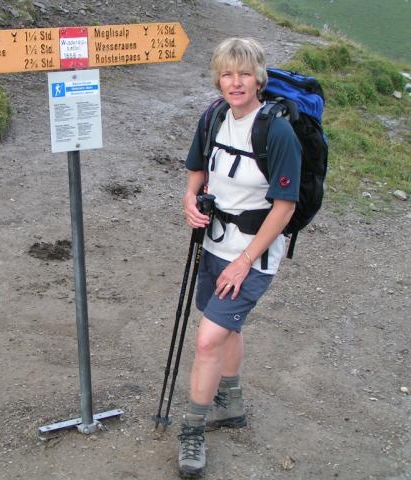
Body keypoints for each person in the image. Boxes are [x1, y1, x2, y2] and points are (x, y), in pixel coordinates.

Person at [177, 37, 302, 478]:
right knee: (226, 327)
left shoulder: (277, 132)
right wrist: (189, 198)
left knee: (207, 339)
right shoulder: (214, 116)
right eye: (228, 74)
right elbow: (197, 168)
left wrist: (244, 260)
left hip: (253, 255)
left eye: (245, 74)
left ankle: (192, 430)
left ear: (258, 79)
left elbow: (284, 208)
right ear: (218, 79)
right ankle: (231, 403)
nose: (236, 82)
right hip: (214, 244)